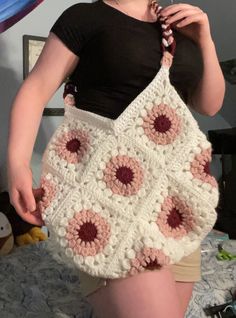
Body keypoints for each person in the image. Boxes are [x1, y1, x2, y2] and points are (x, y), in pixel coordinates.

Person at [7, 0, 225, 317]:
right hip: (111, 198)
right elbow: (36, 88)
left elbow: (209, 105)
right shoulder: (85, 16)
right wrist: (17, 165)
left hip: (175, 202)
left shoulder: (177, 24)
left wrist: (205, 39)